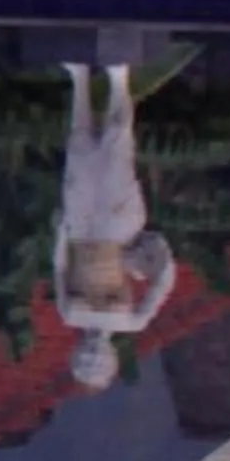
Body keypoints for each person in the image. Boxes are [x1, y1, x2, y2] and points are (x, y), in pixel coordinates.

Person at [54, 61, 176, 391]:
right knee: (117, 149)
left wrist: (61, 235)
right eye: (97, 363)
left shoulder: (69, 315)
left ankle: (79, 80)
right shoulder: (133, 321)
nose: (91, 356)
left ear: (74, 355)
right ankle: (118, 81)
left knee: (79, 148)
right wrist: (162, 258)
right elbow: (162, 285)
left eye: (83, 362)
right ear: (112, 359)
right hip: (116, 232)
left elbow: (60, 269)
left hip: (79, 231)